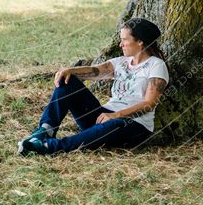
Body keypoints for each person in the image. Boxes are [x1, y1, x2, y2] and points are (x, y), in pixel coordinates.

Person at [18, 17, 169, 156]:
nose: (120, 44)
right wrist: (69, 70)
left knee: (112, 125)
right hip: (104, 117)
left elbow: (149, 104)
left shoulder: (156, 65)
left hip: (132, 124)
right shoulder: (121, 62)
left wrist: (116, 115)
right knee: (68, 81)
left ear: (140, 41)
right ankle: (46, 130)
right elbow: (96, 71)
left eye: (124, 40)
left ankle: (47, 147)